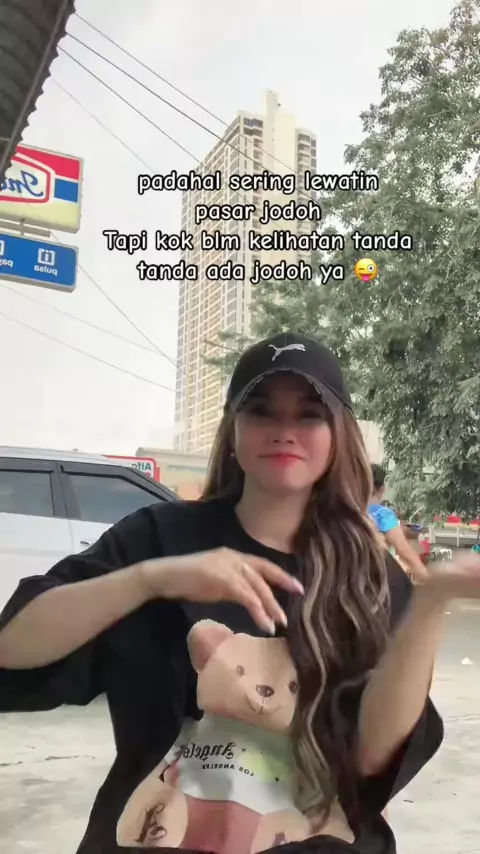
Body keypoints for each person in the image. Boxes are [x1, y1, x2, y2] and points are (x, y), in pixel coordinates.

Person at [1, 330, 479, 854]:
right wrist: (151, 579)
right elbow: (13, 646)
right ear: (233, 429)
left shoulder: (369, 575)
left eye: (309, 415)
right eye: (261, 411)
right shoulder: (156, 537)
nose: (284, 432)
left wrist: (432, 603)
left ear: (338, 436)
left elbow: (373, 758)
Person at [369, 464, 429, 582]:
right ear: (382, 489)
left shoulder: (347, 510)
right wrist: (429, 579)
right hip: (374, 579)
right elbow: (403, 550)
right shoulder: (382, 515)